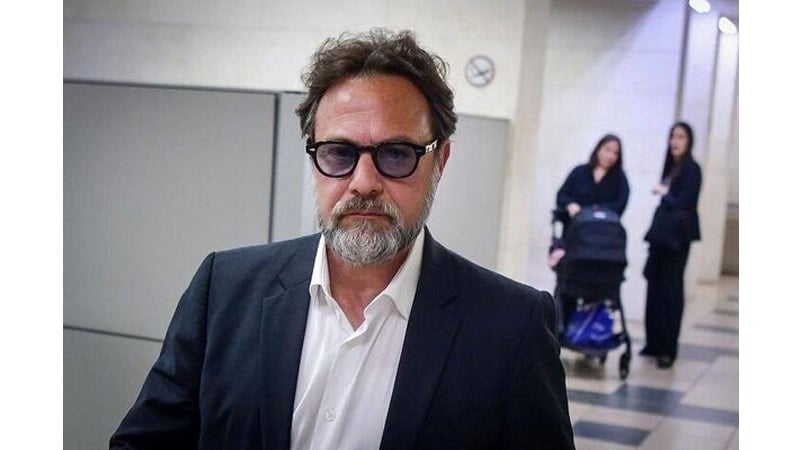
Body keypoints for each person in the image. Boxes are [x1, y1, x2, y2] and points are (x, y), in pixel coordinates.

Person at [110, 28, 575, 449]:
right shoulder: (224, 290)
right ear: (315, 158)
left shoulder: (511, 328)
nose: (364, 183)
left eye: (397, 154)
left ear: (440, 161)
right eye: (339, 153)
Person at [551, 134, 629, 331]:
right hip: (575, 239)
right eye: (607, 150)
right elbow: (562, 195)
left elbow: (619, 206)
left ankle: (589, 330)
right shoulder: (580, 172)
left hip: (602, 245)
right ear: (598, 149)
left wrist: (594, 212)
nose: (610, 156)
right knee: (568, 284)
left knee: (600, 287)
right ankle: (561, 328)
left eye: (615, 153)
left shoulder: (619, 180)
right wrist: (571, 205)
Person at [640, 121, 702, 369]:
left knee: (670, 291)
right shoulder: (671, 167)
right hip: (661, 237)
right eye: (673, 136)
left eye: (681, 137)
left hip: (677, 239)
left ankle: (667, 347)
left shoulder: (692, 169)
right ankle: (654, 342)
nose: (675, 141)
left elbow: (685, 202)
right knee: (654, 286)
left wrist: (665, 193)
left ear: (689, 141)